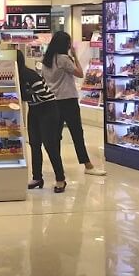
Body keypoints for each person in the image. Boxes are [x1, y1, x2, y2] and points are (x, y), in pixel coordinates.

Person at [42, 31, 106, 175]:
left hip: (53, 101)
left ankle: (57, 167)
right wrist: (75, 56)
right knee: (77, 133)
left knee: (55, 135)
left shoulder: (46, 60)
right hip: (68, 100)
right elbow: (80, 73)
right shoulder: (64, 59)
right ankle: (87, 165)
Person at [17, 50, 67, 193]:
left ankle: (60, 179)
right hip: (34, 109)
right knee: (34, 144)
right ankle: (37, 177)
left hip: (48, 109)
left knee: (50, 144)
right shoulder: (17, 76)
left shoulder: (30, 75)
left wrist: (25, 96)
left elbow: (44, 95)